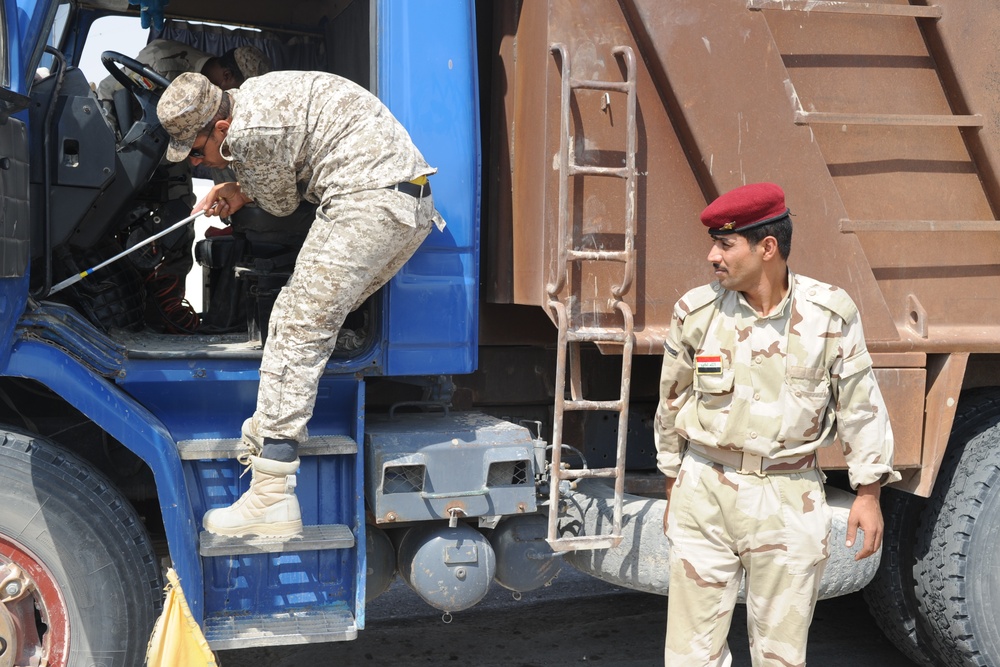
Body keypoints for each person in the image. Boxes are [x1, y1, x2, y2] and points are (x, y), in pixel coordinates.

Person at [156, 70, 445, 537]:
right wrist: (240, 186)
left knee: (294, 322)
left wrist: (238, 183)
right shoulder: (250, 101)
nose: (197, 164)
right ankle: (270, 443)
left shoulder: (249, 134)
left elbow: (283, 204)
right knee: (320, 315)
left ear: (222, 130)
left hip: (367, 200)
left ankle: (272, 496)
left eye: (196, 151)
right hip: (407, 202)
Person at [653, 182, 901, 666]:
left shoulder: (829, 313)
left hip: (789, 495)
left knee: (781, 656)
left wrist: (869, 494)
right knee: (689, 657)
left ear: (767, 247)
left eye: (725, 244)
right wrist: (671, 484)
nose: (712, 256)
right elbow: (671, 399)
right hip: (704, 490)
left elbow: (859, 404)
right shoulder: (696, 312)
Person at [98, 41, 271, 333]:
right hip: (136, 149)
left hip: (175, 155)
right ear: (227, 78)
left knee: (182, 219)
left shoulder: (218, 121)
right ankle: (144, 312)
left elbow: (222, 156)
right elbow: (109, 92)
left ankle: (168, 314)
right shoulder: (163, 64)